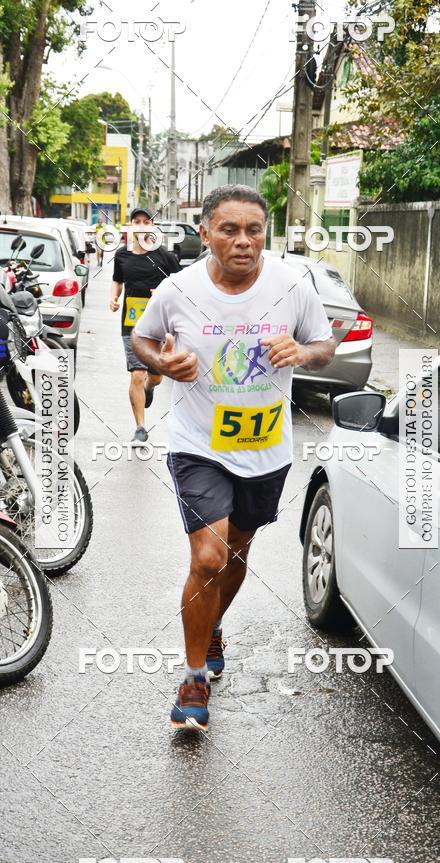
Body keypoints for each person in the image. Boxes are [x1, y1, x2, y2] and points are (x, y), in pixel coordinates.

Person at [133, 184, 336, 730]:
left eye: (253, 230)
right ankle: (193, 677)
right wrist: (163, 364)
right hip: (199, 445)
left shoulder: (292, 286)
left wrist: (303, 351)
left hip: (266, 450)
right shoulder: (177, 289)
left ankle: (213, 623)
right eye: (229, 229)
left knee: (237, 553)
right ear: (205, 233)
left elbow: (325, 344)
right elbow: (143, 339)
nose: (243, 241)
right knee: (208, 557)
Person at [111, 207, 180, 445]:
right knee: (136, 374)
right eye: (136, 221)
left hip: (159, 324)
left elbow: (179, 285)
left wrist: (161, 291)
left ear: (152, 226)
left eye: (146, 221)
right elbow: (117, 279)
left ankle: (151, 388)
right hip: (131, 323)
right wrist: (114, 297)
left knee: (155, 376)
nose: (141, 225)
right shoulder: (122, 255)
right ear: (131, 226)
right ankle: (140, 427)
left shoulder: (164, 256)